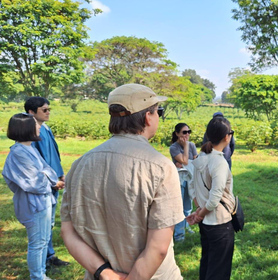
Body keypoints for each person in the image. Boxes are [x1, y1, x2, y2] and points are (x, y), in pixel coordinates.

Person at [60, 83, 184, 280]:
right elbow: (158, 247)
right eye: (158, 111)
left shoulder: (79, 165)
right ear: (147, 117)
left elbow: (67, 231)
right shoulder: (161, 167)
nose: (159, 116)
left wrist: (104, 272)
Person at [2, 113, 59, 280]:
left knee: (44, 239)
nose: (39, 126)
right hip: (34, 204)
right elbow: (35, 183)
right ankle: (37, 276)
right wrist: (48, 178)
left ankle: (41, 273)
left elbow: (49, 172)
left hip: (43, 201)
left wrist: (47, 177)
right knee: (37, 243)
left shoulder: (30, 148)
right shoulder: (19, 152)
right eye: (35, 124)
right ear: (25, 128)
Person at [187, 116, 236, 280]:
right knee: (219, 270)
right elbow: (215, 198)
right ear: (226, 137)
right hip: (220, 223)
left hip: (206, 223)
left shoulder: (200, 158)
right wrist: (200, 213)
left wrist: (199, 210)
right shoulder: (220, 162)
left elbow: (192, 188)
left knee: (208, 263)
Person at [24, 96, 70, 269]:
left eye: (49, 109)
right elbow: (36, 163)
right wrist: (51, 181)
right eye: (44, 109)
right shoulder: (29, 132)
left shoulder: (45, 128)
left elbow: (53, 154)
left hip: (54, 180)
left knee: (49, 222)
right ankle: (42, 262)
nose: (48, 112)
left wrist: (60, 174)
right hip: (44, 184)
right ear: (31, 112)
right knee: (42, 223)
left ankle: (49, 256)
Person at [170, 122, 198, 242]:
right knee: (179, 207)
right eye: (184, 132)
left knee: (188, 206)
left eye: (188, 132)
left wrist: (184, 161)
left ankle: (186, 226)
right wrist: (186, 146)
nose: (187, 135)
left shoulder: (192, 145)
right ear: (177, 134)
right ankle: (179, 235)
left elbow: (196, 161)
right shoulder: (174, 147)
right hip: (180, 179)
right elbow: (186, 161)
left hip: (191, 178)